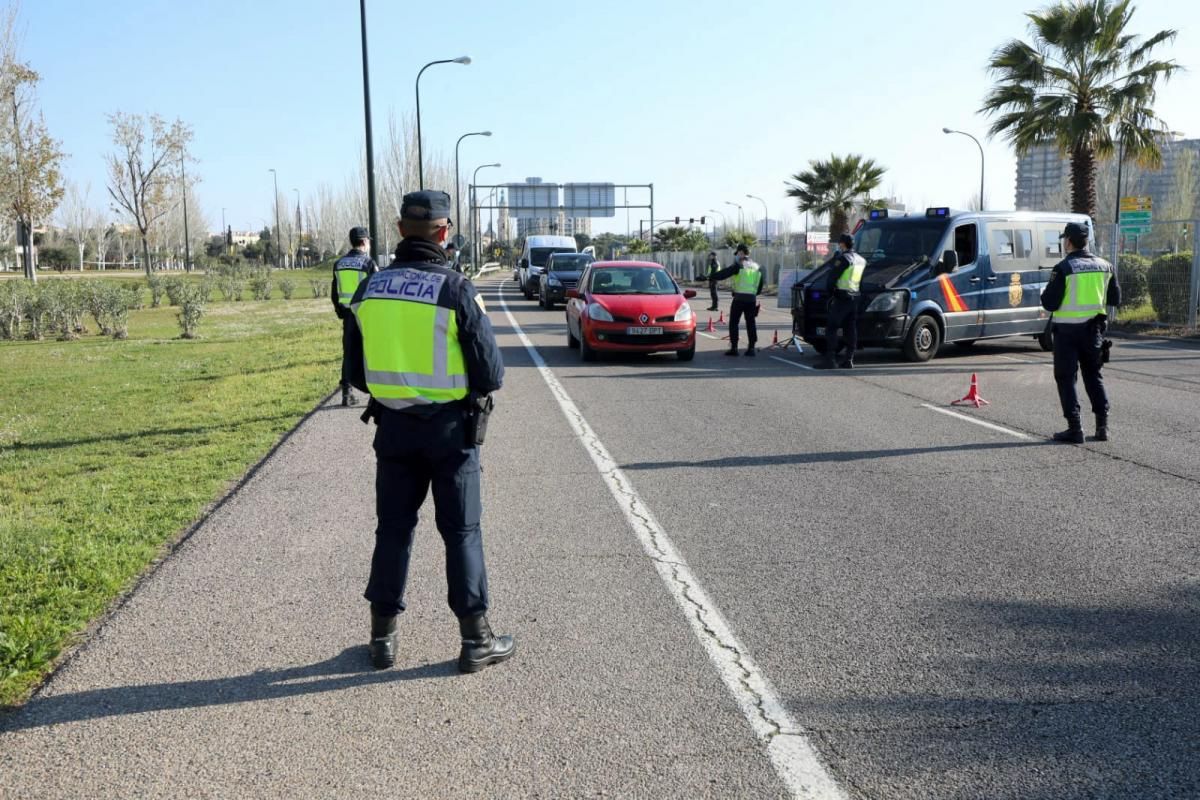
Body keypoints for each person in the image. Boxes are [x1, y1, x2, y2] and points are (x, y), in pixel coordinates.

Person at [343, 190, 514, 673]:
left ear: (399, 230)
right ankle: (475, 639)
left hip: (393, 430)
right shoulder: (456, 289)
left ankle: (382, 641)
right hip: (450, 434)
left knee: (393, 532)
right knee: (461, 533)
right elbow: (491, 374)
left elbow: (355, 372)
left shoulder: (368, 290)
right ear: (444, 232)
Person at [1040, 220, 1121, 443]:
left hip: (1067, 333)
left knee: (1066, 378)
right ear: (1086, 241)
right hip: (1093, 330)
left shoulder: (1064, 268)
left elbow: (1049, 303)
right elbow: (1115, 299)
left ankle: (1075, 429)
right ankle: (1102, 427)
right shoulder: (1105, 266)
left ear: (1068, 241)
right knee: (1093, 375)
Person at [331, 226, 378, 406]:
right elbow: (376, 290)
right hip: (366, 316)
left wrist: (340, 311)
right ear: (365, 241)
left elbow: (334, 292)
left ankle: (346, 393)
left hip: (348, 316)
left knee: (349, 353)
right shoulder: (368, 264)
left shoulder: (339, 263)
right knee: (371, 354)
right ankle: (375, 395)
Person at [815, 234, 865, 369]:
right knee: (850, 328)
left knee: (831, 327)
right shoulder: (861, 260)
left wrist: (831, 293)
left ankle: (830, 359)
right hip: (855, 297)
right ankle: (849, 359)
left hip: (842, 297)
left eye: (840, 243)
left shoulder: (844, 258)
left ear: (843, 244)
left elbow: (831, 279)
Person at [709, 243, 764, 356]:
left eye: (738, 253)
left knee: (734, 322)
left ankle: (734, 348)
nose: (737, 256)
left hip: (739, 299)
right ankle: (751, 348)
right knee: (751, 323)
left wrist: (709, 277)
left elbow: (723, 274)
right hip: (751, 299)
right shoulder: (757, 267)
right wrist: (752, 293)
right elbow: (760, 286)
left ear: (741, 252)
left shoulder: (738, 265)